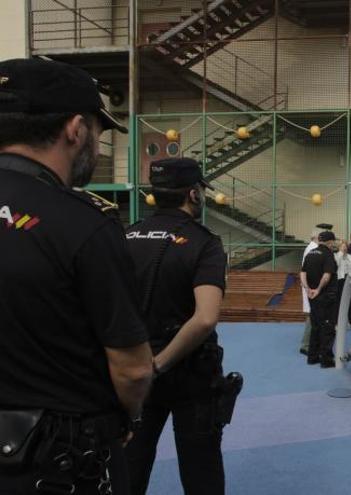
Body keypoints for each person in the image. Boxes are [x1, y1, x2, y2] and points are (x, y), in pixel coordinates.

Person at [0, 58, 153, 495]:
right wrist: (128, 415)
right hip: (55, 463)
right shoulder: (84, 225)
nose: (99, 149)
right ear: (75, 129)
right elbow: (134, 369)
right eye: (99, 133)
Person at [125, 157, 232, 495]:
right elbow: (204, 317)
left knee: (129, 467)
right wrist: (159, 364)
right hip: (189, 374)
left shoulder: (123, 236)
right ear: (193, 194)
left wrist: (142, 367)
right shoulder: (205, 243)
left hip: (132, 370)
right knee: (202, 472)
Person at [301, 231, 339, 367]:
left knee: (315, 326)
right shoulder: (328, 254)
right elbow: (327, 275)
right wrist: (318, 289)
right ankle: (326, 360)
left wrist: (307, 289)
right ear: (330, 242)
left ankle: (312, 357)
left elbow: (302, 272)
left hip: (312, 296)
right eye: (334, 241)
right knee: (327, 327)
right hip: (325, 296)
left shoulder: (310, 253)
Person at [299, 229, 321, 356]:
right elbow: (307, 270)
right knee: (312, 316)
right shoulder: (311, 249)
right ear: (316, 237)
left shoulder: (314, 248)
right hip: (310, 287)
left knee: (314, 315)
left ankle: (310, 343)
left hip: (311, 286)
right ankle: (306, 345)